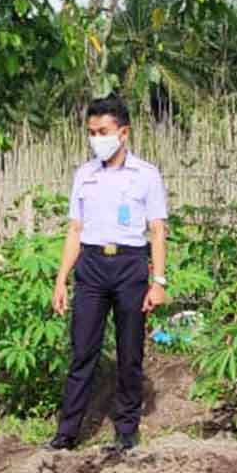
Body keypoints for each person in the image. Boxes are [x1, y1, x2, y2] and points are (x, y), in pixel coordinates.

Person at [48, 95, 169, 453]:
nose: (96, 138)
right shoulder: (84, 175)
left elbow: (158, 230)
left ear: (123, 132)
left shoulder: (146, 175)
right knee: (83, 350)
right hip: (92, 266)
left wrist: (158, 282)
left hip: (131, 265)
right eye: (91, 132)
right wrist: (60, 279)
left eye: (103, 131)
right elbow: (74, 229)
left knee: (129, 352)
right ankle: (66, 433)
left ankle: (126, 430)